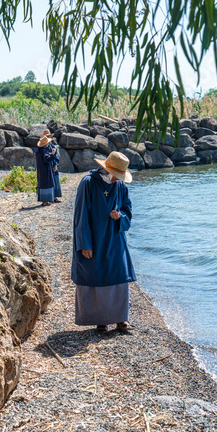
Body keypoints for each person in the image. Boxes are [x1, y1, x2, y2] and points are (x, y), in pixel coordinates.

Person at [71, 151, 136, 332]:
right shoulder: (88, 183)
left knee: (118, 276)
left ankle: (122, 319)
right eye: (118, 175)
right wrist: (85, 243)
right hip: (94, 239)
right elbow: (81, 215)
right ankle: (101, 321)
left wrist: (120, 216)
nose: (119, 179)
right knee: (95, 275)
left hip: (115, 239)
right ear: (108, 170)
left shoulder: (121, 186)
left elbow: (128, 212)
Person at [42, 129, 62, 203]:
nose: (48, 137)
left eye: (49, 136)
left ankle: (55, 197)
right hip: (48, 166)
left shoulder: (52, 145)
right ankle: (50, 198)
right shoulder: (44, 146)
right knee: (50, 182)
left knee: (56, 180)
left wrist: (56, 165)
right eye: (47, 136)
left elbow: (56, 156)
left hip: (53, 165)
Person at [35, 135, 55, 206]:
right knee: (47, 183)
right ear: (45, 144)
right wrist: (52, 154)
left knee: (42, 184)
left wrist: (48, 154)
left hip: (41, 170)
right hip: (45, 169)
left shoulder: (38, 150)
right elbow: (46, 159)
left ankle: (44, 201)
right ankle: (46, 201)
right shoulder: (44, 150)